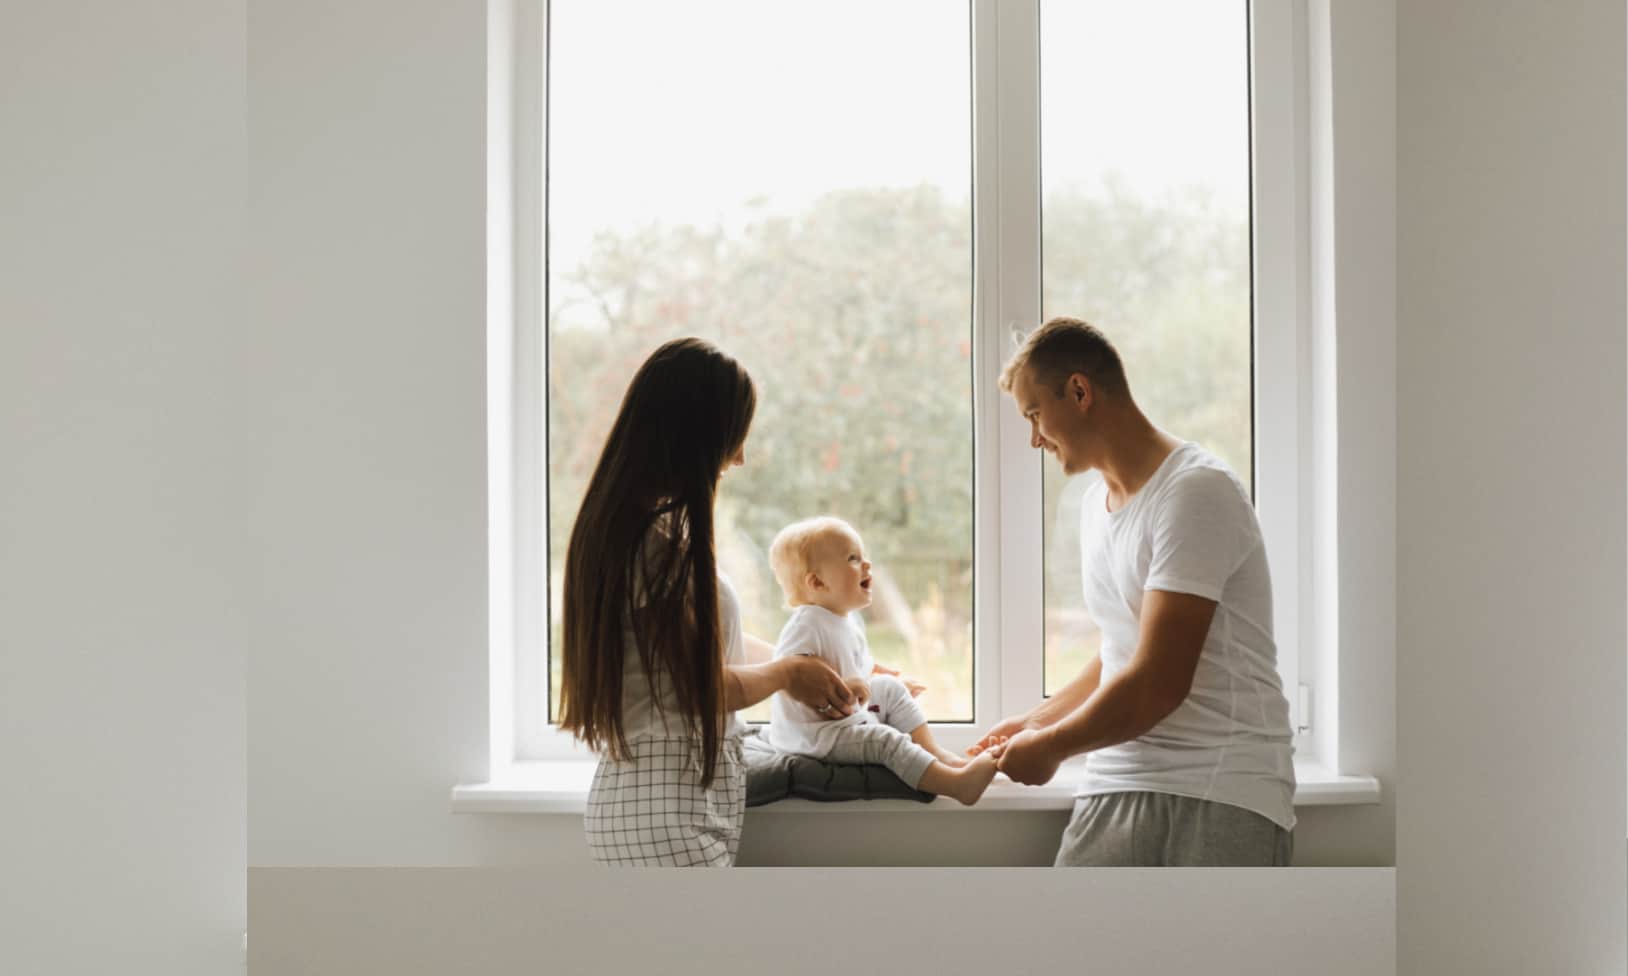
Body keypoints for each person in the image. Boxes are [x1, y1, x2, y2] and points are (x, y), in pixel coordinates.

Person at [973, 317, 1296, 866]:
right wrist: (1037, 721)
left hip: (1221, 786)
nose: (1034, 439)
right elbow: (1124, 651)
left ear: (1079, 392)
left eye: (1034, 415)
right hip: (1118, 776)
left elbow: (1159, 682)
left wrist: (1050, 747)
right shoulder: (1094, 505)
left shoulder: (1196, 491)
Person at [559, 337, 859, 867]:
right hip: (663, 815)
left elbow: (717, 650)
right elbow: (705, 685)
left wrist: (834, 659)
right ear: (694, 436)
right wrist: (790, 673)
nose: (739, 457)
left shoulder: (634, 532)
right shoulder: (650, 548)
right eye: (732, 438)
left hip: (652, 806)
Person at [764, 516, 998, 805]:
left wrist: (879, 676)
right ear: (817, 582)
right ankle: (955, 785)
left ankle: (935, 754)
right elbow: (793, 676)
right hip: (815, 736)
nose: (867, 564)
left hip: (846, 719)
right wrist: (845, 686)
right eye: (852, 558)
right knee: (883, 739)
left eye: (864, 556)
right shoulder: (806, 624)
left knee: (888, 686)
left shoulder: (848, 620)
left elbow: (855, 664)